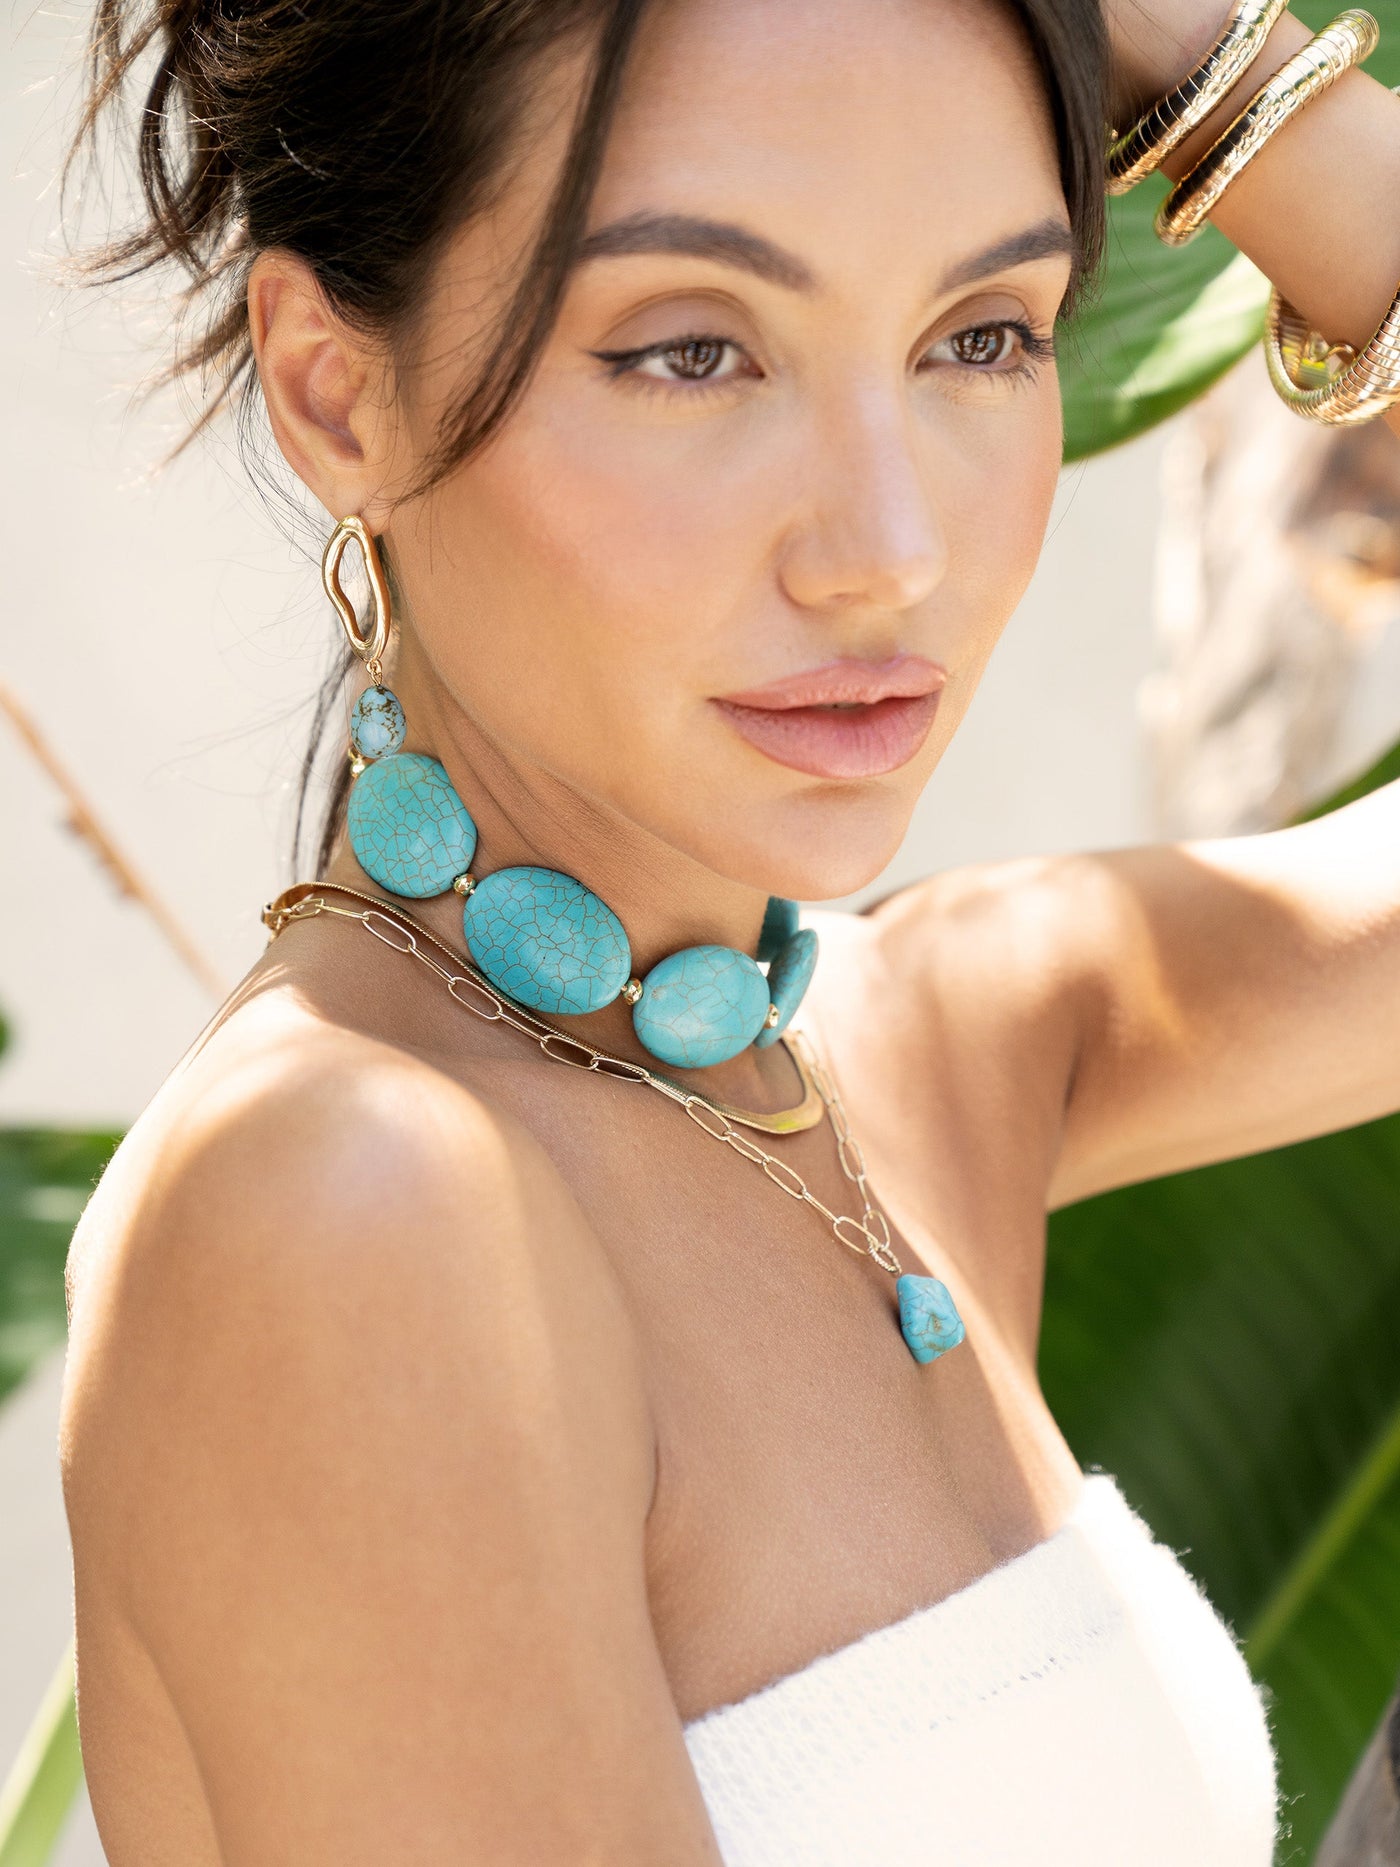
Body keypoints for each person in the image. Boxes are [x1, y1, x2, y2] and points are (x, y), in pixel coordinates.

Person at [56, 0, 1400, 1860]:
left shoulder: (926, 1052)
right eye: (694, 353)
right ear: (333, 390)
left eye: (983, 336)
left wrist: (1205, 60)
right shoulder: (351, 1199)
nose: (886, 548)